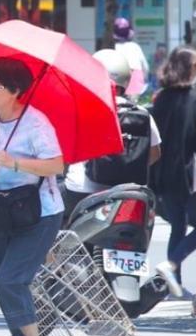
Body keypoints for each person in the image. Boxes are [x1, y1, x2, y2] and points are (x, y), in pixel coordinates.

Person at [0, 57, 65, 336]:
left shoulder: (36, 124)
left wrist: (15, 162)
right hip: (3, 211)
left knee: (11, 282)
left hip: (39, 212)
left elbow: (56, 165)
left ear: (14, 90)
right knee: (3, 284)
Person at [62, 49, 161, 217]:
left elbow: (65, 152)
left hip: (81, 189)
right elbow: (155, 154)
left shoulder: (81, 109)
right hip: (126, 192)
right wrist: (125, 169)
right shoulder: (141, 113)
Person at [151, 46, 196, 298]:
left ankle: (173, 286)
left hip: (163, 174)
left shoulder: (161, 97)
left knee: (178, 226)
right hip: (188, 174)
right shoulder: (194, 99)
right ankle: (171, 264)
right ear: (189, 68)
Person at [113, 17, 149, 99]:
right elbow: (145, 68)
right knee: (134, 105)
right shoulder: (135, 47)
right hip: (136, 79)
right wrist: (145, 79)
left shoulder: (114, 48)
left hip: (120, 80)